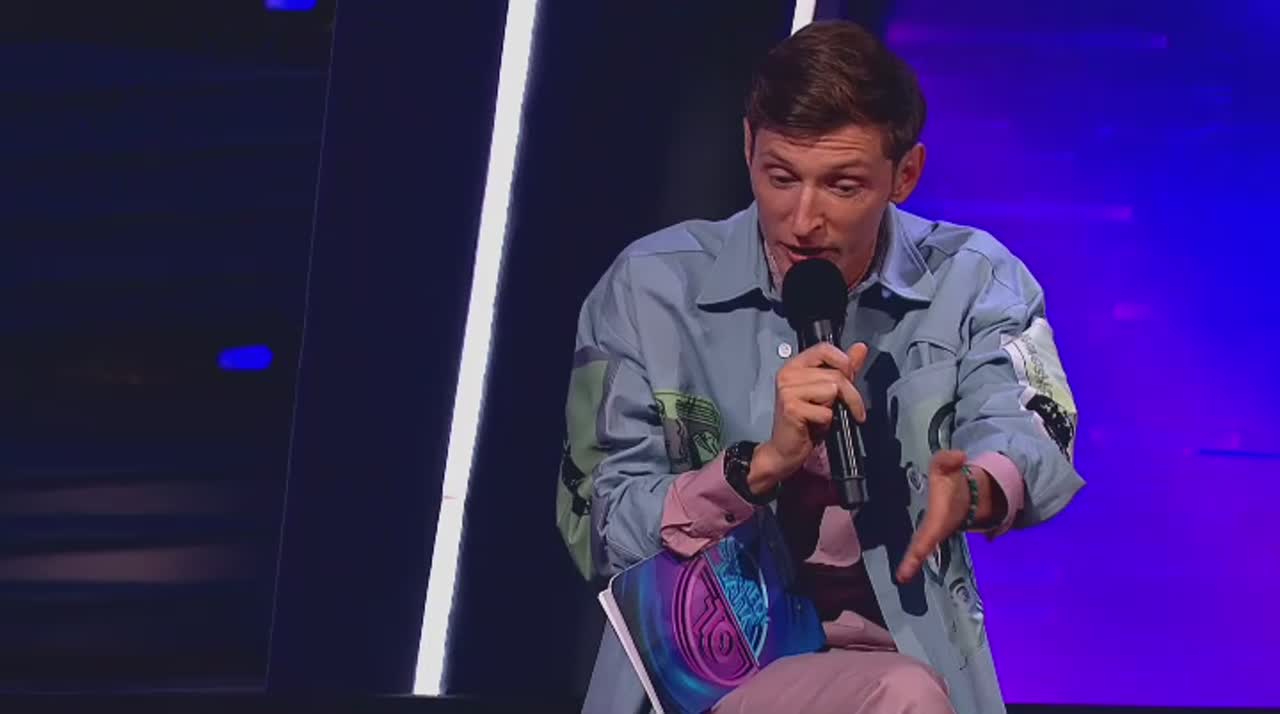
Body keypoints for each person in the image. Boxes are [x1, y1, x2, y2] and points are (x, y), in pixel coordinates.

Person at [555, 19, 1083, 714]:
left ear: (905, 175)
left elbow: (1032, 429)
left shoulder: (975, 278)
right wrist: (755, 468)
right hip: (711, 677)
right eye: (781, 178)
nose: (803, 219)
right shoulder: (649, 288)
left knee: (906, 690)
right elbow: (594, 523)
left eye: (843, 186)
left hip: (905, 657)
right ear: (747, 147)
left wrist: (976, 489)